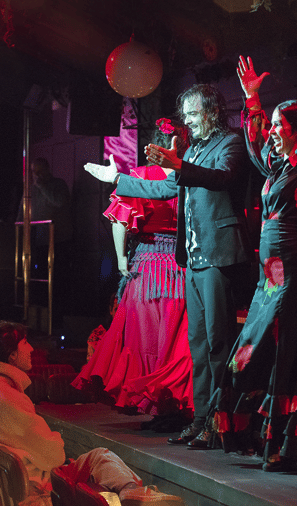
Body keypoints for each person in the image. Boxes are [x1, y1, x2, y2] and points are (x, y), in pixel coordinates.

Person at [209, 36, 297, 472]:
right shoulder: (278, 168)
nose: (271, 131)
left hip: (293, 274)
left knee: (285, 351)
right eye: (271, 124)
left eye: (278, 124)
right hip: (269, 277)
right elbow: (255, 144)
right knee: (254, 349)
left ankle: (283, 445)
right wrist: (251, 98)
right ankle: (268, 438)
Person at [84, 84, 252, 449]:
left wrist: (179, 164)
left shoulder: (231, 143)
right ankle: (202, 418)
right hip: (191, 260)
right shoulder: (195, 147)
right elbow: (165, 190)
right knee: (198, 344)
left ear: (210, 111)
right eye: (186, 116)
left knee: (219, 342)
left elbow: (222, 178)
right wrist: (117, 180)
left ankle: (223, 421)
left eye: (192, 115)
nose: (188, 122)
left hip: (218, 255)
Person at [0, 321, 185, 506]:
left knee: (100, 456)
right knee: (99, 458)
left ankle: (132, 493)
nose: (32, 348)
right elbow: (54, 455)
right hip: (40, 488)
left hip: (25, 480)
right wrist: (56, 442)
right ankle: (135, 496)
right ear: (12, 355)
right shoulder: (5, 398)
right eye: (25, 342)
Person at [73, 119, 193, 431]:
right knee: (157, 337)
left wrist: (122, 257)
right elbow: (121, 218)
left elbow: (121, 219)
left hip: (169, 263)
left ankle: (168, 407)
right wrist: (122, 257)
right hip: (162, 262)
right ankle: (164, 407)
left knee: (165, 339)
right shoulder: (158, 174)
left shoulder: (177, 174)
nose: (178, 147)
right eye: (175, 142)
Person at [19, 157, 73, 328]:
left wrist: (42, 186)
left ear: (48, 169)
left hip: (59, 240)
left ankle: (57, 322)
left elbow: (59, 202)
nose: (37, 175)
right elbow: (23, 211)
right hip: (39, 241)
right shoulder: (31, 189)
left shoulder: (58, 184)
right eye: (34, 172)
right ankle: (39, 320)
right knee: (39, 282)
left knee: (58, 282)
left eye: (40, 171)